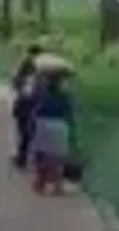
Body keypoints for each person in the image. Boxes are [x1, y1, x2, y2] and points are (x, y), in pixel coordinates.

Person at [26, 54, 81, 194]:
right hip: (59, 127)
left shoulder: (41, 94)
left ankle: (40, 183)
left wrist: (31, 127)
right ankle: (57, 186)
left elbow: (35, 112)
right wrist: (72, 133)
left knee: (42, 156)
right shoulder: (65, 96)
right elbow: (69, 115)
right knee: (57, 158)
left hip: (43, 125)